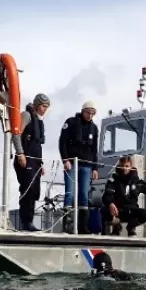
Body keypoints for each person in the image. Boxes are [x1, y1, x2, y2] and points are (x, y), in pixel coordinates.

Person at [11, 93, 51, 231]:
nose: (45, 109)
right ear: (36, 104)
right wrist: (20, 153)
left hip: (35, 162)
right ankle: (25, 221)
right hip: (24, 159)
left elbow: (37, 145)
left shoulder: (40, 121)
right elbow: (16, 134)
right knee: (27, 189)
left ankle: (30, 221)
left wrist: (40, 164)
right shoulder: (26, 116)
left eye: (47, 107)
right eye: (43, 106)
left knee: (35, 191)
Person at [58, 100, 99, 233]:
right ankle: (67, 225)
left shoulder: (94, 128)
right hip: (72, 163)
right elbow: (62, 142)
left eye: (93, 113)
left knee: (84, 195)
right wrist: (65, 160)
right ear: (83, 111)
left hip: (86, 165)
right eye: (88, 112)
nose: (90, 115)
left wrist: (95, 168)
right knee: (69, 193)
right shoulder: (70, 122)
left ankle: (83, 226)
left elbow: (94, 149)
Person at [100, 155, 146, 237]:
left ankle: (131, 227)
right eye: (122, 166)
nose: (124, 168)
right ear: (119, 166)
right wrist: (110, 204)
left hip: (131, 211)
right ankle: (116, 227)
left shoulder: (136, 181)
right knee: (103, 210)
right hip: (118, 211)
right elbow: (106, 195)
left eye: (127, 166)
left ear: (131, 167)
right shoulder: (113, 180)